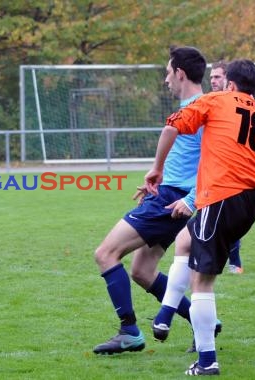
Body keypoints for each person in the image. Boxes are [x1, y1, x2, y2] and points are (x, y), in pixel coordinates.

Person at [145, 59, 255, 375]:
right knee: (185, 240)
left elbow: (172, 125)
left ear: (230, 85)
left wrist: (157, 168)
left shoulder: (215, 101)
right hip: (250, 203)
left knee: (201, 281)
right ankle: (165, 313)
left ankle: (206, 361)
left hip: (220, 198)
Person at [92, 46, 209, 355]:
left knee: (105, 253)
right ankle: (203, 323)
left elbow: (208, 160)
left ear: (180, 73)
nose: (165, 80)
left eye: (168, 73)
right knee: (142, 271)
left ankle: (129, 331)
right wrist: (160, 179)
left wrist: (185, 193)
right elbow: (188, 156)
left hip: (173, 200)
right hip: (170, 196)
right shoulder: (197, 108)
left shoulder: (199, 109)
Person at [210, 61, 244, 274]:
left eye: (218, 77)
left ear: (229, 81)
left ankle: (235, 262)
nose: (213, 81)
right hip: (208, 167)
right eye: (211, 77)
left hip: (232, 170)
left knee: (228, 216)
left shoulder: (239, 104)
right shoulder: (211, 101)